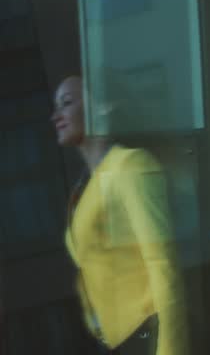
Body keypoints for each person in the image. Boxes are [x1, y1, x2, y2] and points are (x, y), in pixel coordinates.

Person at [51, 76, 189, 355]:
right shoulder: (85, 189)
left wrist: (170, 349)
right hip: (116, 343)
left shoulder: (130, 166)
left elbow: (163, 263)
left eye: (67, 103)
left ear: (101, 108)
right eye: (56, 107)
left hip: (147, 336)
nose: (56, 116)